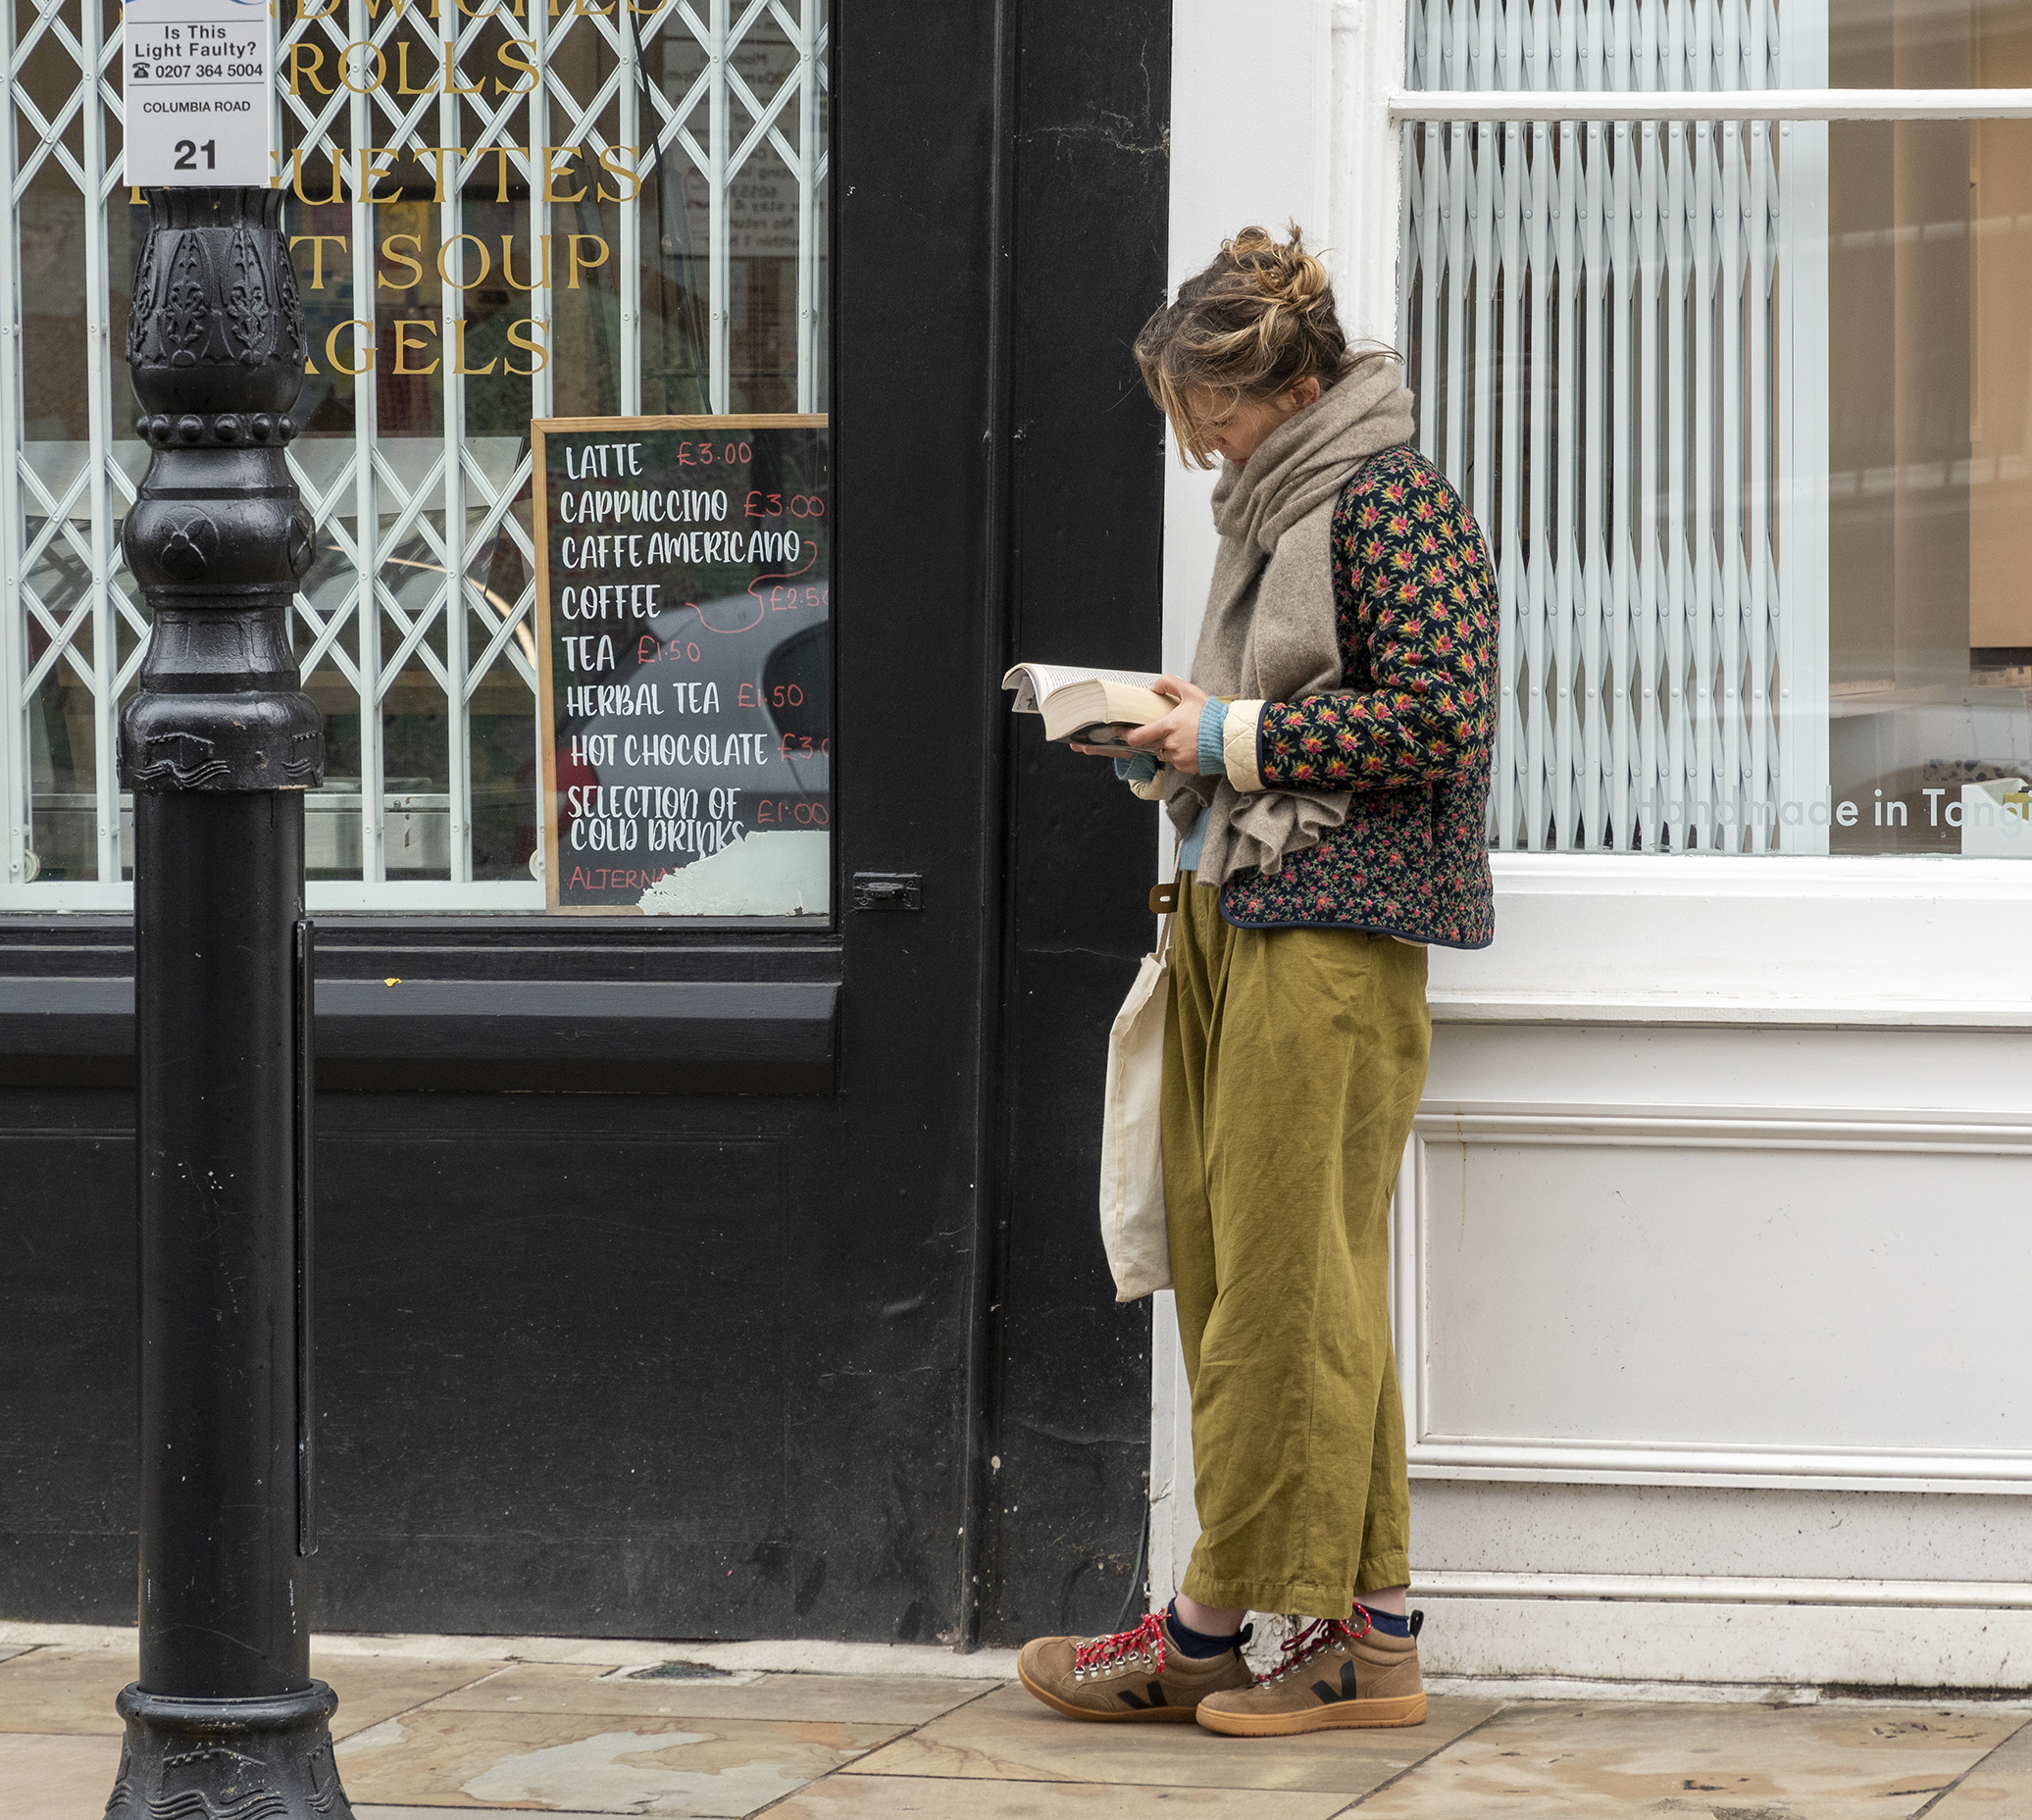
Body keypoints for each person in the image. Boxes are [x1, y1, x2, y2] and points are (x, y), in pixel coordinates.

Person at [1016, 225, 1497, 1739]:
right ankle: (1362, 1642)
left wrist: (1222, 738)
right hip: (1250, 907)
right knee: (1256, 1276)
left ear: (1279, 385)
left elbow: (1437, 724)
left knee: (1290, 1287)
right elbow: (1327, 711)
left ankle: (1215, 1627)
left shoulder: (1390, 501)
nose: (1195, 442)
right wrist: (1190, 725)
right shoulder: (1290, 507)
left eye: (1203, 412)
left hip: (1334, 932)